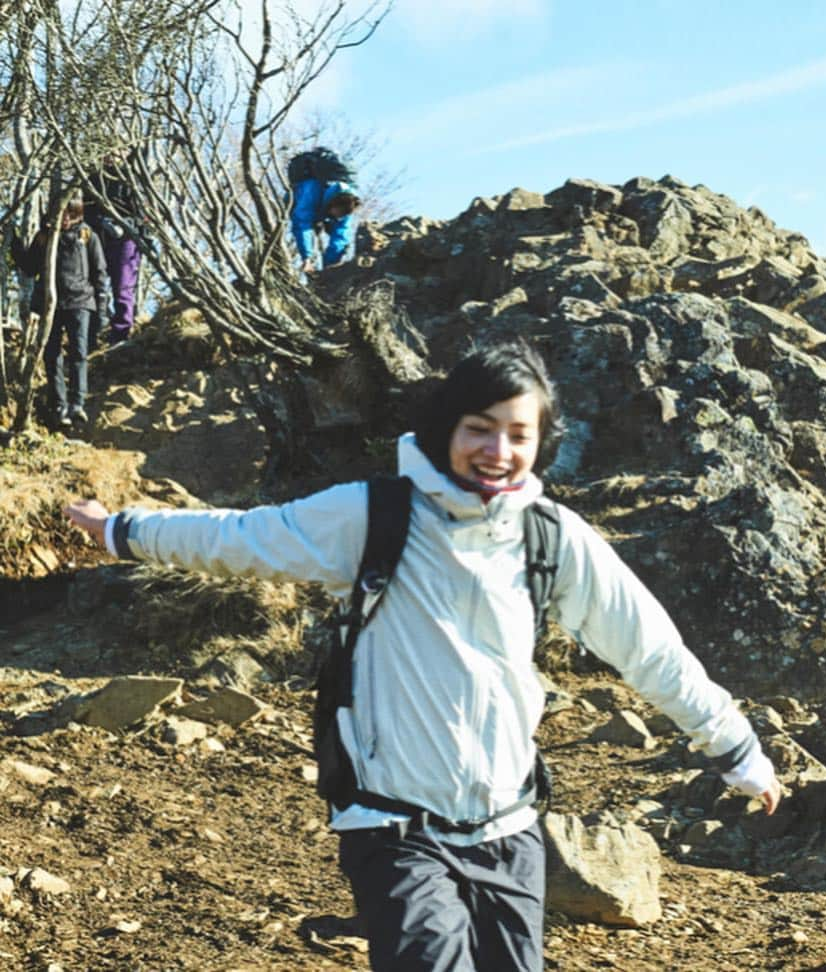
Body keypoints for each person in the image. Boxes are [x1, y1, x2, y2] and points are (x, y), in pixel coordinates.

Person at [65, 341, 781, 972]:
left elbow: (650, 647)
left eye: (517, 434)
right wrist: (125, 530)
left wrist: (734, 746)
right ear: (445, 431)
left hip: (510, 828)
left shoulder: (554, 540)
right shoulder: (376, 515)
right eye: (479, 429)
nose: (497, 451)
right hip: (393, 825)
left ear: (541, 443)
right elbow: (247, 539)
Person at [13, 191, 109, 428]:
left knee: (78, 352)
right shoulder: (44, 236)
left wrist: (102, 310)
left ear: (77, 214)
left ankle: (77, 404)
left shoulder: (88, 236)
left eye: (70, 214)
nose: (65, 218)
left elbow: (99, 273)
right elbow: (29, 267)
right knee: (51, 354)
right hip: (49, 304)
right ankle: (59, 404)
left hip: (80, 302)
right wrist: (14, 242)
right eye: (61, 213)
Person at [84, 155, 145, 346]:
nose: (109, 158)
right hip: (98, 239)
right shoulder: (91, 179)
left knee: (123, 287)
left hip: (125, 240)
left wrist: (126, 224)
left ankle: (121, 334)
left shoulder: (131, 177)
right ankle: (93, 333)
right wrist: (99, 222)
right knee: (94, 287)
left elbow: (143, 213)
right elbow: (86, 211)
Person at [291, 176, 360, 274]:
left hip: (322, 210)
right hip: (296, 201)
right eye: (337, 213)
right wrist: (307, 258)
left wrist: (329, 267)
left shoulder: (348, 206)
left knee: (337, 234)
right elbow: (302, 225)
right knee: (304, 224)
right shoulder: (312, 190)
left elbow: (340, 238)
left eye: (341, 216)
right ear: (333, 205)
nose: (338, 217)